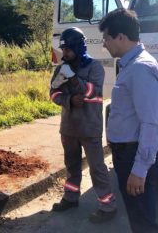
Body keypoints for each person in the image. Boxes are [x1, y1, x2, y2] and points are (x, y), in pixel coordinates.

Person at [99, 8, 158, 233]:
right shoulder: (130, 65)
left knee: (143, 220)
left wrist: (139, 170)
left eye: (106, 38)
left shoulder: (140, 69)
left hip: (133, 154)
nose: (104, 44)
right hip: (126, 152)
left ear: (121, 37)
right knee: (138, 217)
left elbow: (151, 124)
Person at [49, 27, 117, 223]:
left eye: (68, 49)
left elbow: (92, 92)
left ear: (78, 48)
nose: (65, 53)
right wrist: (69, 100)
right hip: (69, 127)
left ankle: (108, 205)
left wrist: (72, 78)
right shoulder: (61, 68)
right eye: (63, 49)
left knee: (96, 167)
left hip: (89, 127)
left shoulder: (95, 67)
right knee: (71, 165)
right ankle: (71, 197)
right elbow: (53, 94)